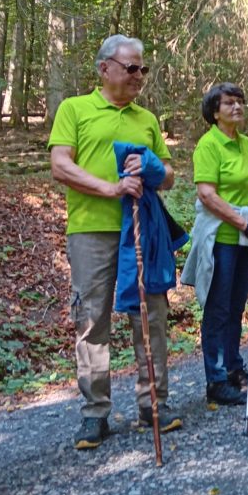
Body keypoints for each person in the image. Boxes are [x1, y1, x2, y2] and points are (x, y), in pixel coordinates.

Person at [49, 34, 182, 450]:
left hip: (143, 228)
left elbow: (170, 177)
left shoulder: (146, 119)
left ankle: (153, 404)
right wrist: (112, 189)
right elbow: (60, 165)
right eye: (131, 68)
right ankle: (95, 414)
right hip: (92, 231)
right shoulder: (75, 109)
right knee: (92, 320)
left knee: (151, 315)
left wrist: (153, 167)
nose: (139, 76)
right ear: (105, 67)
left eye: (143, 68)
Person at [181, 83, 248, 406]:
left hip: (245, 238)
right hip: (221, 237)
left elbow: (244, 187)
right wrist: (245, 222)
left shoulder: (244, 143)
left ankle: (234, 368)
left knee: (236, 306)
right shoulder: (209, 145)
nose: (237, 107)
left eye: (240, 102)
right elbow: (207, 195)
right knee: (218, 309)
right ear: (214, 112)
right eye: (229, 103)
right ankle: (216, 380)